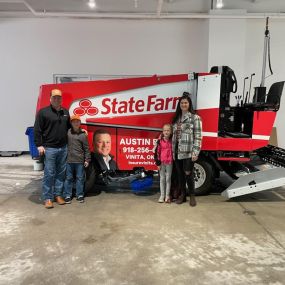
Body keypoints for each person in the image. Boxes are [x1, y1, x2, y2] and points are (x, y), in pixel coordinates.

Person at [34, 89, 70, 209]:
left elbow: (69, 128)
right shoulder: (43, 112)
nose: (56, 99)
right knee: (49, 173)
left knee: (61, 173)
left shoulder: (65, 112)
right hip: (49, 148)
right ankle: (47, 198)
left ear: (61, 99)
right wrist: (39, 145)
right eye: (54, 97)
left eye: (59, 97)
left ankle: (58, 195)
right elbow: (37, 130)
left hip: (63, 148)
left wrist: (80, 131)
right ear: (50, 99)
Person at [172, 92, 202, 207]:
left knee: (188, 174)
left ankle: (192, 195)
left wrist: (195, 152)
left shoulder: (195, 118)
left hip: (188, 152)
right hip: (176, 151)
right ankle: (182, 196)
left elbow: (198, 137)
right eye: (182, 103)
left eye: (186, 102)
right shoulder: (176, 118)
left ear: (189, 104)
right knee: (180, 175)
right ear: (179, 104)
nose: (183, 104)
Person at [63, 115, 91, 204]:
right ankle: (67, 195)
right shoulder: (67, 132)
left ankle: (80, 195)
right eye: (74, 121)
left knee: (80, 178)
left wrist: (87, 159)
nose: (76, 123)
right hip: (69, 160)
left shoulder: (83, 135)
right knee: (68, 178)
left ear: (80, 123)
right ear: (71, 123)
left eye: (77, 121)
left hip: (79, 161)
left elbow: (86, 148)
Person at [85, 129, 117, 193]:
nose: (105, 145)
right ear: (93, 144)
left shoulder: (113, 162)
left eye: (107, 142)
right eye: (100, 142)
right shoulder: (90, 161)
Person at [154, 124, 173, 203]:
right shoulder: (160, 141)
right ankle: (162, 195)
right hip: (161, 162)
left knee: (168, 178)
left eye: (168, 130)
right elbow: (156, 152)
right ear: (162, 131)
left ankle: (167, 195)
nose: (166, 132)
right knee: (162, 179)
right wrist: (158, 163)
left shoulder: (172, 141)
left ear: (171, 132)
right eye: (165, 130)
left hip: (170, 162)